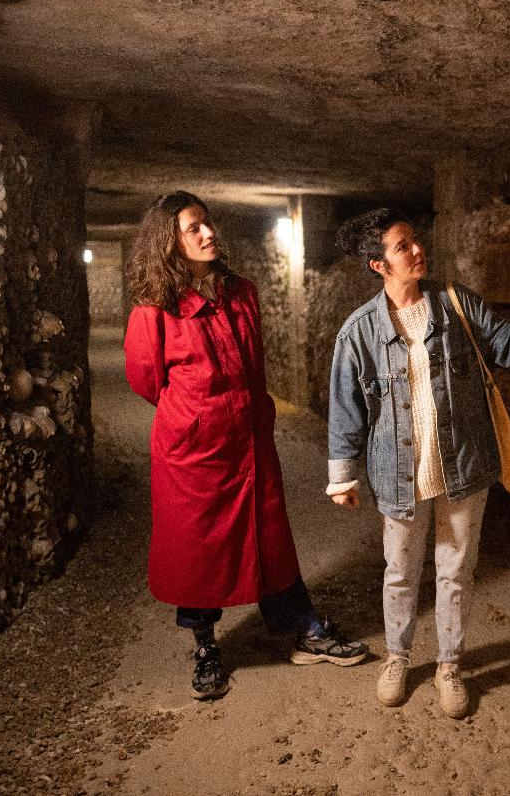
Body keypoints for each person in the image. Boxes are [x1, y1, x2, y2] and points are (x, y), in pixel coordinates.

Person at [124, 191, 368, 701]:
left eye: (207, 224)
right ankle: (205, 645)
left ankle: (302, 628)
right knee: (197, 549)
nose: (208, 233)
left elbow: (253, 364)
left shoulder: (242, 292)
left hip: (249, 439)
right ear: (168, 243)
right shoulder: (154, 311)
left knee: (270, 533)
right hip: (194, 451)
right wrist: (193, 417)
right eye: (193, 228)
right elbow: (146, 380)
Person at [327, 208, 510, 718]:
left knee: (456, 570)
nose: (417, 250)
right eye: (402, 246)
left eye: (414, 240)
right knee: (400, 572)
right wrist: (342, 477)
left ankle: (449, 665)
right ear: (378, 265)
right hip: (399, 475)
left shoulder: (455, 303)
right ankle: (397, 657)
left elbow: (502, 344)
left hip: (461, 465)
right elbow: (346, 406)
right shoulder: (359, 333)